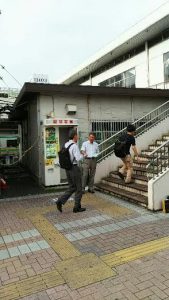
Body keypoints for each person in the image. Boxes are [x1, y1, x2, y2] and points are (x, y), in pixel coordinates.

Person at [54, 129, 86, 213]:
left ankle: (60, 201)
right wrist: (84, 155)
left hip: (67, 169)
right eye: (77, 135)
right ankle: (76, 207)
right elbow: (78, 158)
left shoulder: (66, 144)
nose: (78, 136)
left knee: (72, 187)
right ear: (75, 136)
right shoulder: (74, 146)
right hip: (74, 168)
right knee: (79, 188)